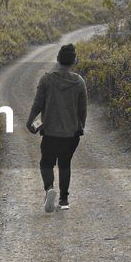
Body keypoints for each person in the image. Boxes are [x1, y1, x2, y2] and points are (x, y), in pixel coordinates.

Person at [26, 42, 87, 213]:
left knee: (46, 163)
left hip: (50, 131)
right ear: (74, 61)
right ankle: (64, 200)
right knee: (65, 164)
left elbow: (38, 104)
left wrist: (30, 121)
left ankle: (49, 189)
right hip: (71, 133)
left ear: (58, 59)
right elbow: (83, 109)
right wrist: (80, 126)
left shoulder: (47, 80)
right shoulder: (79, 82)